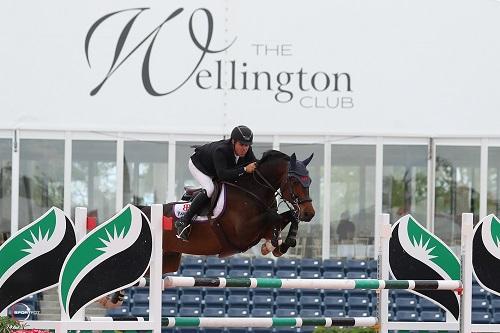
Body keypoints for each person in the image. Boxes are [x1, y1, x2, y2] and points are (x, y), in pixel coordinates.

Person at [175, 125, 258, 241]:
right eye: (242, 145)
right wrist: (244, 170)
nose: (245, 148)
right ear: (233, 141)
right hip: (198, 164)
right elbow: (223, 175)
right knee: (210, 189)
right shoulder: (221, 150)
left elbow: (255, 166)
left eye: (247, 145)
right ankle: (183, 221)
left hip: (214, 168)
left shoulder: (247, 151)